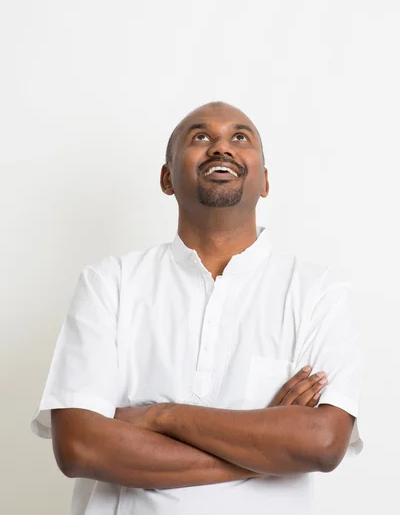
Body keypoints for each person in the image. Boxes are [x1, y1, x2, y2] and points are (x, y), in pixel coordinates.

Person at [31, 101, 364, 515]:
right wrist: (267, 453)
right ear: (167, 178)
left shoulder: (318, 293)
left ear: (264, 181)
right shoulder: (109, 284)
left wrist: (158, 416)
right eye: (200, 137)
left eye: (240, 137)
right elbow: (80, 447)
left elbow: (321, 442)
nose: (221, 147)